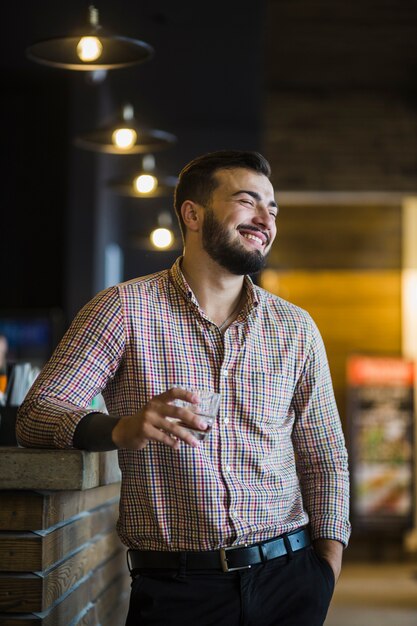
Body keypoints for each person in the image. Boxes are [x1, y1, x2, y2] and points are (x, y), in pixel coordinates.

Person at [17, 150, 351, 626]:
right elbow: (36, 414)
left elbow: (325, 456)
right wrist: (121, 429)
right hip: (178, 592)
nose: (265, 219)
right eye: (247, 201)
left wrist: (325, 570)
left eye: (272, 208)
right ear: (193, 214)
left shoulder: (295, 328)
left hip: (291, 580)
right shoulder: (122, 310)